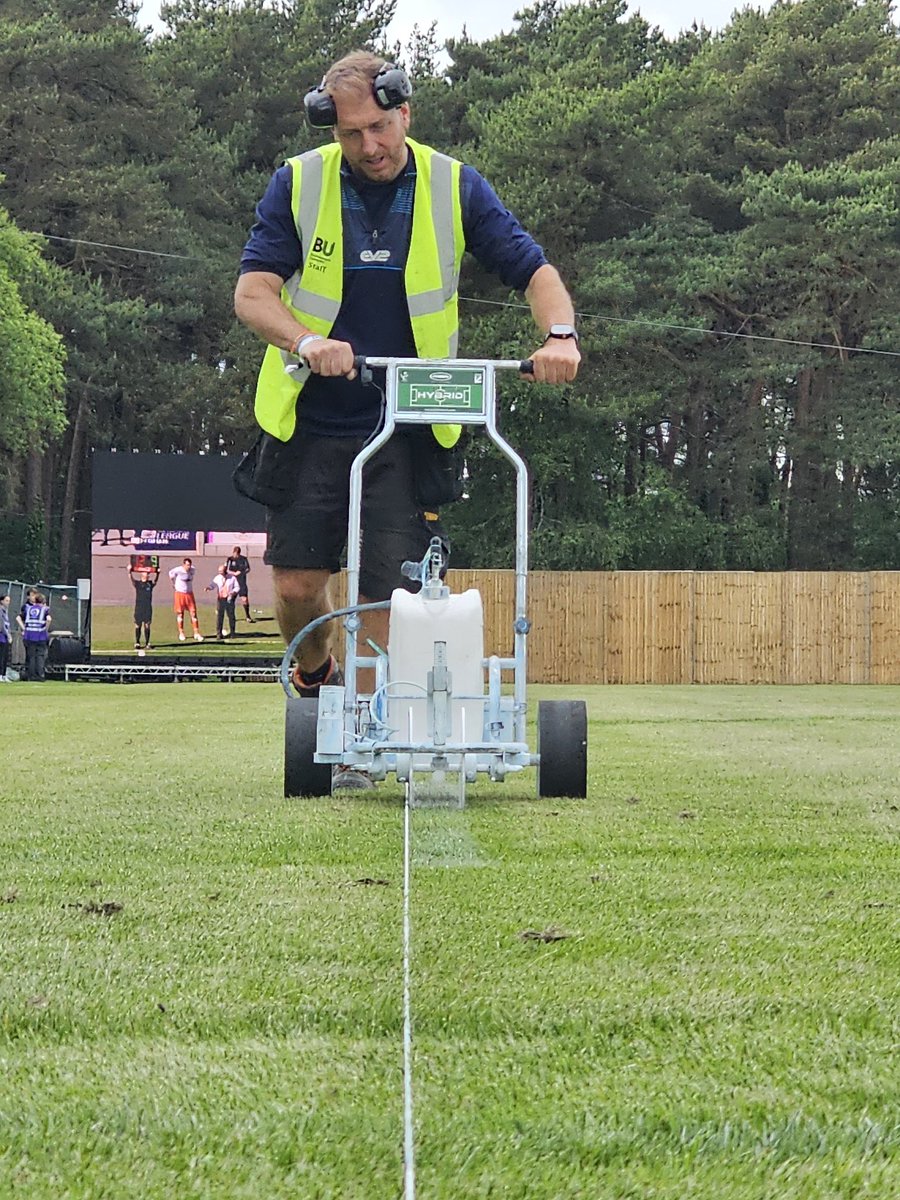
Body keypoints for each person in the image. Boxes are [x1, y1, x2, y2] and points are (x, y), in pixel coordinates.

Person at [233, 50, 580, 701]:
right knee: (295, 587)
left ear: (404, 112)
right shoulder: (299, 184)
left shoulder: (455, 185)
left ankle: (364, 735)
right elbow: (253, 293)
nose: (369, 146)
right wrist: (307, 340)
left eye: (380, 128)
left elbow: (536, 273)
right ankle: (317, 675)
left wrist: (560, 336)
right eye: (351, 133)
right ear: (331, 131)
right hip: (312, 418)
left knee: (384, 598)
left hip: (407, 423)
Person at [16, 590, 51, 680]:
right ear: (43, 602)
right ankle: (40, 675)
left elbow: (18, 618)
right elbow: (49, 619)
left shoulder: (28, 609)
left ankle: (31, 676)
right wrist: (45, 629)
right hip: (40, 635)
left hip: (29, 635)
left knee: (31, 656)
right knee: (40, 655)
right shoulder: (45, 609)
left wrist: (24, 628)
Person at [168, 558, 204, 642]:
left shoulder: (193, 570)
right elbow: (170, 574)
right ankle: (181, 633)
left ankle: (196, 633)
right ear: (183, 565)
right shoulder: (178, 570)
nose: (188, 567)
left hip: (189, 594)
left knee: (193, 614)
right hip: (180, 594)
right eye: (187, 565)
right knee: (180, 614)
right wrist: (174, 584)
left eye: (189, 565)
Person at [128, 563, 159, 651]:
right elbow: (132, 580)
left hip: (147, 608)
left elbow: (155, 582)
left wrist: (158, 573)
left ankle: (147, 643)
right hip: (139, 607)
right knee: (138, 625)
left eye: (148, 574)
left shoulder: (149, 584)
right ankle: (137, 642)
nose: (148, 575)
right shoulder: (138, 584)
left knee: (147, 625)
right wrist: (129, 572)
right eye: (146, 574)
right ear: (142, 575)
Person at [205, 563, 240, 641]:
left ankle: (232, 633)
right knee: (220, 617)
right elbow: (212, 585)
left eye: (221, 571)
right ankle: (219, 634)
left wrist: (233, 592)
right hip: (221, 599)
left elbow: (237, 587)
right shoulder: (217, 578)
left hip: (229, 598)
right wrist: (208, 588)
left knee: (231, 616)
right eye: (219, 572)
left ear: (225, 571)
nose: (220, 573)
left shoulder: (232, 578)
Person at [226, 545, 254, 622]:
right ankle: (231, 616)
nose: (236, 555)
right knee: (230, 600)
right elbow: (227, 570)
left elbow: (248, 569)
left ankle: (248, 616)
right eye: (235, 553)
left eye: (237, 554)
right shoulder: (230, 559)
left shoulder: (244, 559)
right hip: (232, 582)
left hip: (241, 582)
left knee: (244, 599)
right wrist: (234, 573)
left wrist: (241, 572)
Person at [0, 594, 11, 680]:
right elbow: (2, 625)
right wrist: (7, 635)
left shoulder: (6, 611)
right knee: (1, 655)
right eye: (6, 601)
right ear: (2, 601)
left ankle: (4, 674)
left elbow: (7, 624)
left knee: (6, 655)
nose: (8, 603)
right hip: (2, 635)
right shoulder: (0, 610)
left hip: (5, 635)